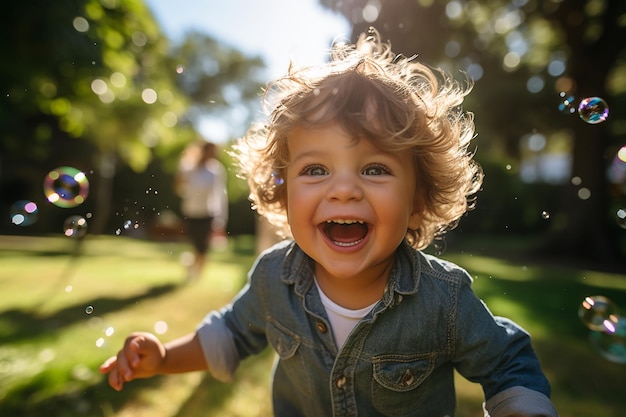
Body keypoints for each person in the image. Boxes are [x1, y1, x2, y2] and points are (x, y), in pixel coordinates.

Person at [100, 28, 559, 416]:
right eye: (315, 170)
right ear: (283, 194)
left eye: (374, 168)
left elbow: (507, 360)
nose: (343, 190)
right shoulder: (273, 277)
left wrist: (522, 405)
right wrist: (162, 359)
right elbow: (229, 333)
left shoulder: (444, 300)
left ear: (418, 201)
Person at [174, 139, 228, 281]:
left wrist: (221, 218)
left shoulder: (216, 170)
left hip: (207, 213)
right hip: (191, 212)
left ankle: (196, 274)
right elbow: (179, 188)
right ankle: (192, 266)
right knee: (195, 243)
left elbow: (220, 195)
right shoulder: (189, 167)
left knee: (202, 246)